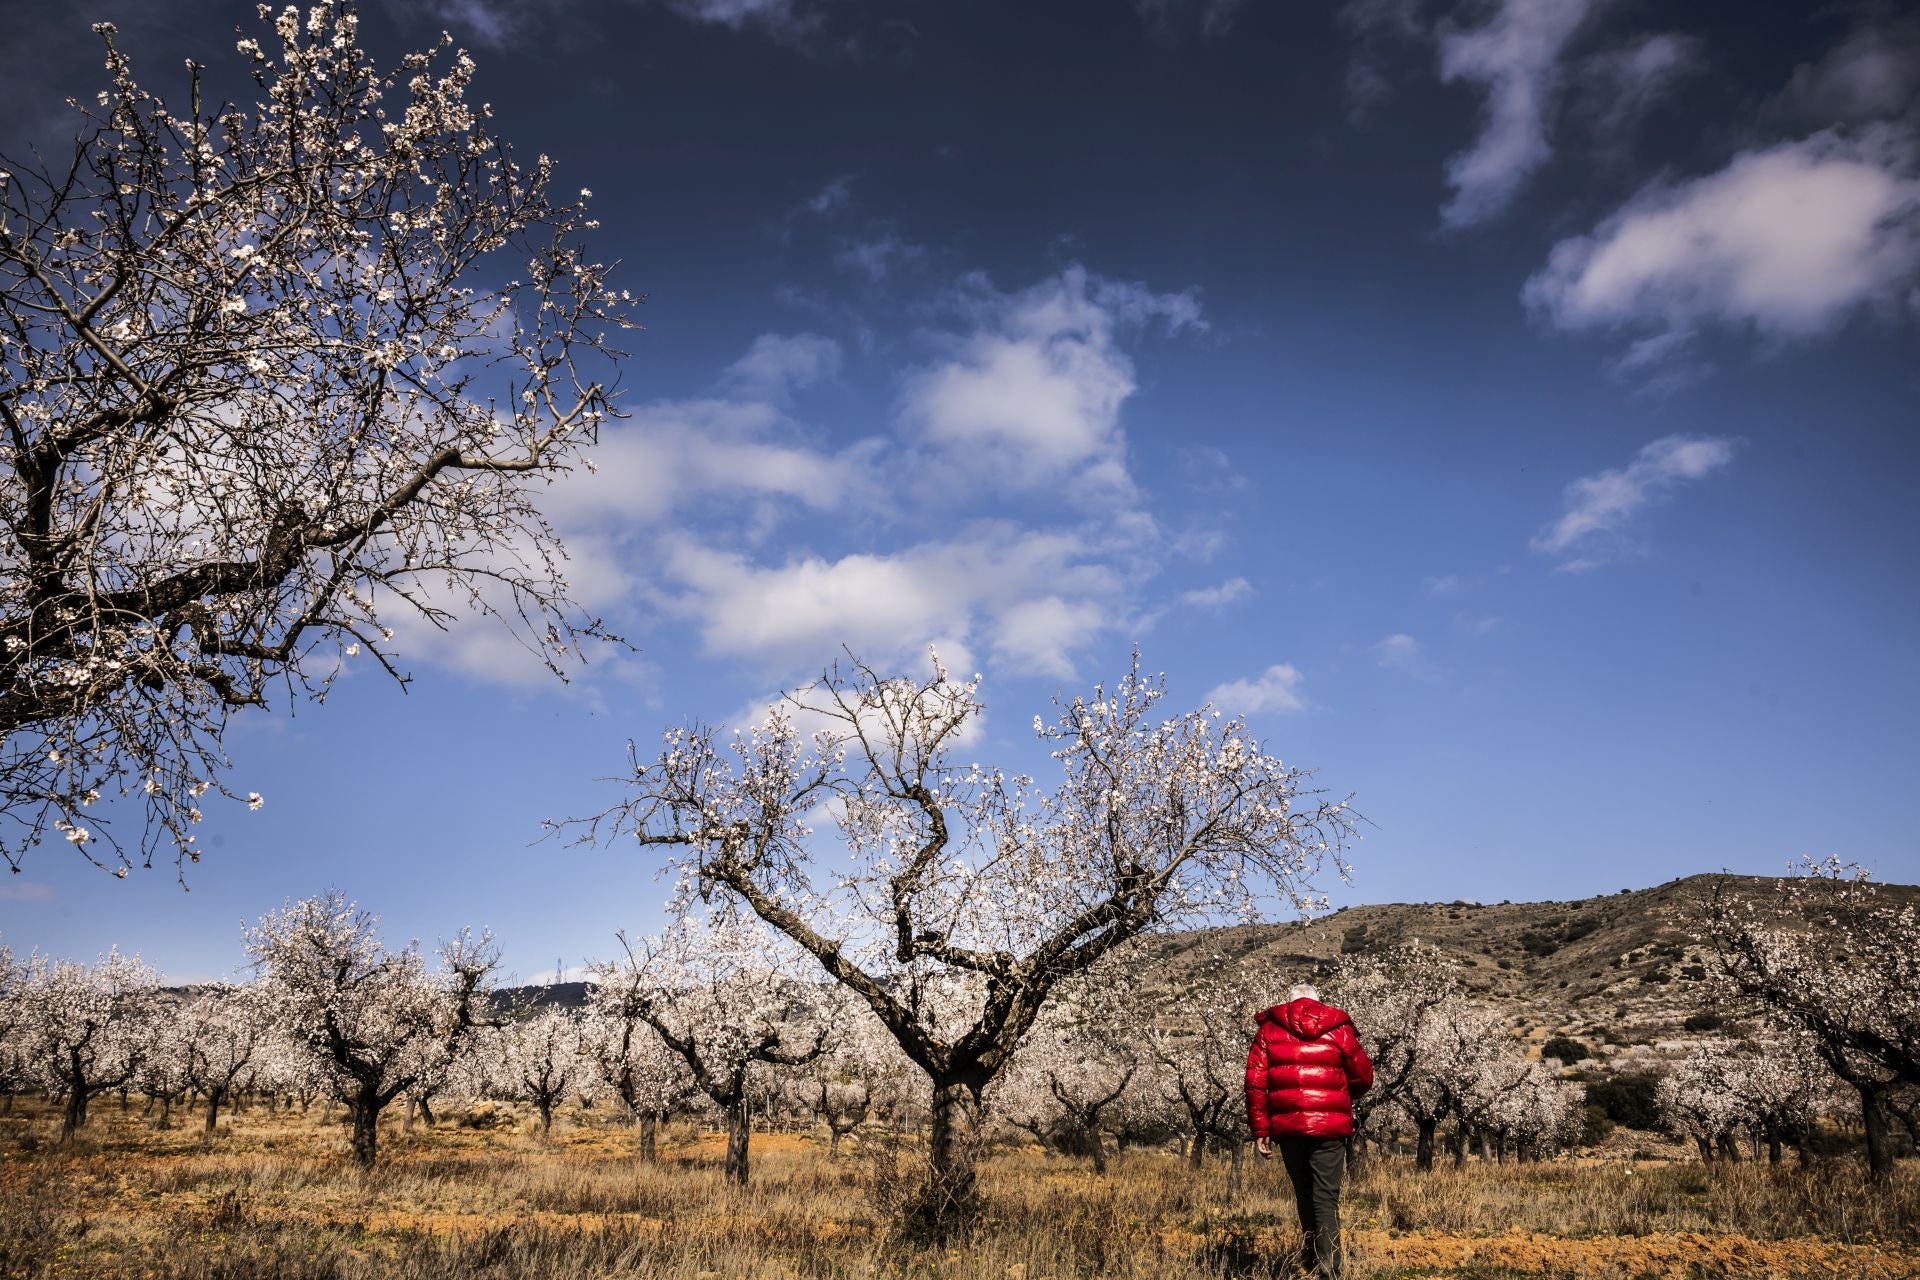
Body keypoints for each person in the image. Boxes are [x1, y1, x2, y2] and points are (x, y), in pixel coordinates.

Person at [1246, 981, 1374, 1278]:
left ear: (1289, 1003)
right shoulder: (1339, 1028)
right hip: (1330, 1129)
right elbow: (1364, 1077)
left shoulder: (1268, 1030)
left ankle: (1309, 1259)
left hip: (1289, 1128)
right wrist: (1339, 1094)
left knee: (1304, 1194)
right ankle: (1329, 1268)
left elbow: (1255, 1084)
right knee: (1325, 1198)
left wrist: (1260, 1129)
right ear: (1318, 1002)